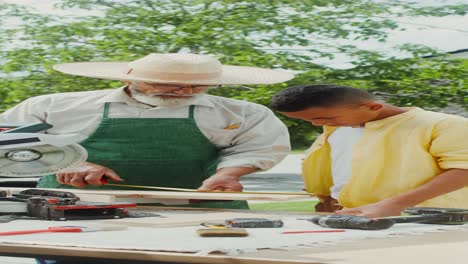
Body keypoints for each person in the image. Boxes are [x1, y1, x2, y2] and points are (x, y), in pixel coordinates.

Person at [0, 53, 294, 210]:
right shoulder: (53, 106)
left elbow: (259, 146)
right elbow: (8, 144)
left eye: (196, 86)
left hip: (199, 210)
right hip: (76, 209)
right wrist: (68, 162)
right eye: (168, 84)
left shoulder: (244, 112)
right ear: (134, 79)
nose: (184, 92)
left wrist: (229, 173)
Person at [271, 84, 468, 218]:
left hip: (424, 219)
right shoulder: (338, 126)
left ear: (373, 107)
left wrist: (396, 204)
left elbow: (463, 171)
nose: (316, 124)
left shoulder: (444, 125)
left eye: (325, 118)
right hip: (353, 216)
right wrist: (328, 198)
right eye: (308, 120)